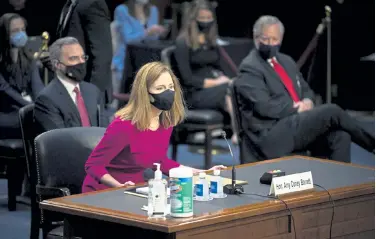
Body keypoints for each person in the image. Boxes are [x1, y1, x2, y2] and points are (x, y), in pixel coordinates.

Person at [235, 15, 375, 163]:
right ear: (256, 38)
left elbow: (306, 90)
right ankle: (373, 145)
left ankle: (339, 183)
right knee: (331, 111)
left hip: (296, 125)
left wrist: (308, 100)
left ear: (281, 39)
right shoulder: (250, 67)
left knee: (340, 136)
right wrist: (296, 109)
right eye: (265, 39)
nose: (270, 44)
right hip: (272, 133)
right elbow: (263, 107)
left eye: (274, 39)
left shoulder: (286, 61)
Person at [82, 61, 226, 193]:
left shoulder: (165, 121)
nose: (168, 93)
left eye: (170, 87)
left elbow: (160, 161)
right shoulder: (124, 125)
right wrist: (119, 186)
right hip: (104, 191)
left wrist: (202, 173)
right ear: (145, 93)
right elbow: (93, 165)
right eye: (160, 88)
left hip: (137, 190)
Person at [174, 0, 237, 143]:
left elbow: (216, 67)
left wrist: (222, 77)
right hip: (193, 94)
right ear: (193, 20)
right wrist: (217, 82)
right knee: (228, 89)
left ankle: (244, 131)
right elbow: (188, 79)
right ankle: (238, 132)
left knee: (236, 85)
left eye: (209, 19)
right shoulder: (182, 43)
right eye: (202, 19)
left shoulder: (210, 42)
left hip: (212, 90)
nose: (206, 22)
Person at [34, 37, 107, 135]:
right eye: (74, 58)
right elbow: (59, 140)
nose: (81, 62)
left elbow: (106, 130)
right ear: (57, 64)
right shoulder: (47, 99)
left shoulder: (93, 91)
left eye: (83, 57)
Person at [56, 0, 112, 108]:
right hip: (70, 88)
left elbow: (102, 55)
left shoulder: (92, 3)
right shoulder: (70, 4)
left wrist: (92, 94)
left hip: (86, 91)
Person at [112, 0, 166, 101]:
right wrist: (147, 32)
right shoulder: (122, 10)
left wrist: (158, 32)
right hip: (126, 59)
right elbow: (128, 39)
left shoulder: (153, 10)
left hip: (147, 58)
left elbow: (153, 40)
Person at [0, 13, 44, 139]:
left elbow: (37, 86)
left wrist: (43, 104)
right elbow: (6, 91)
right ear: (4, 34)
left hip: (24, 108)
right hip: (5, 111)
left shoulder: (29, 59)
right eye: (15, 31)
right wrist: (32, 107)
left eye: (23, 30)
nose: (21, 34)